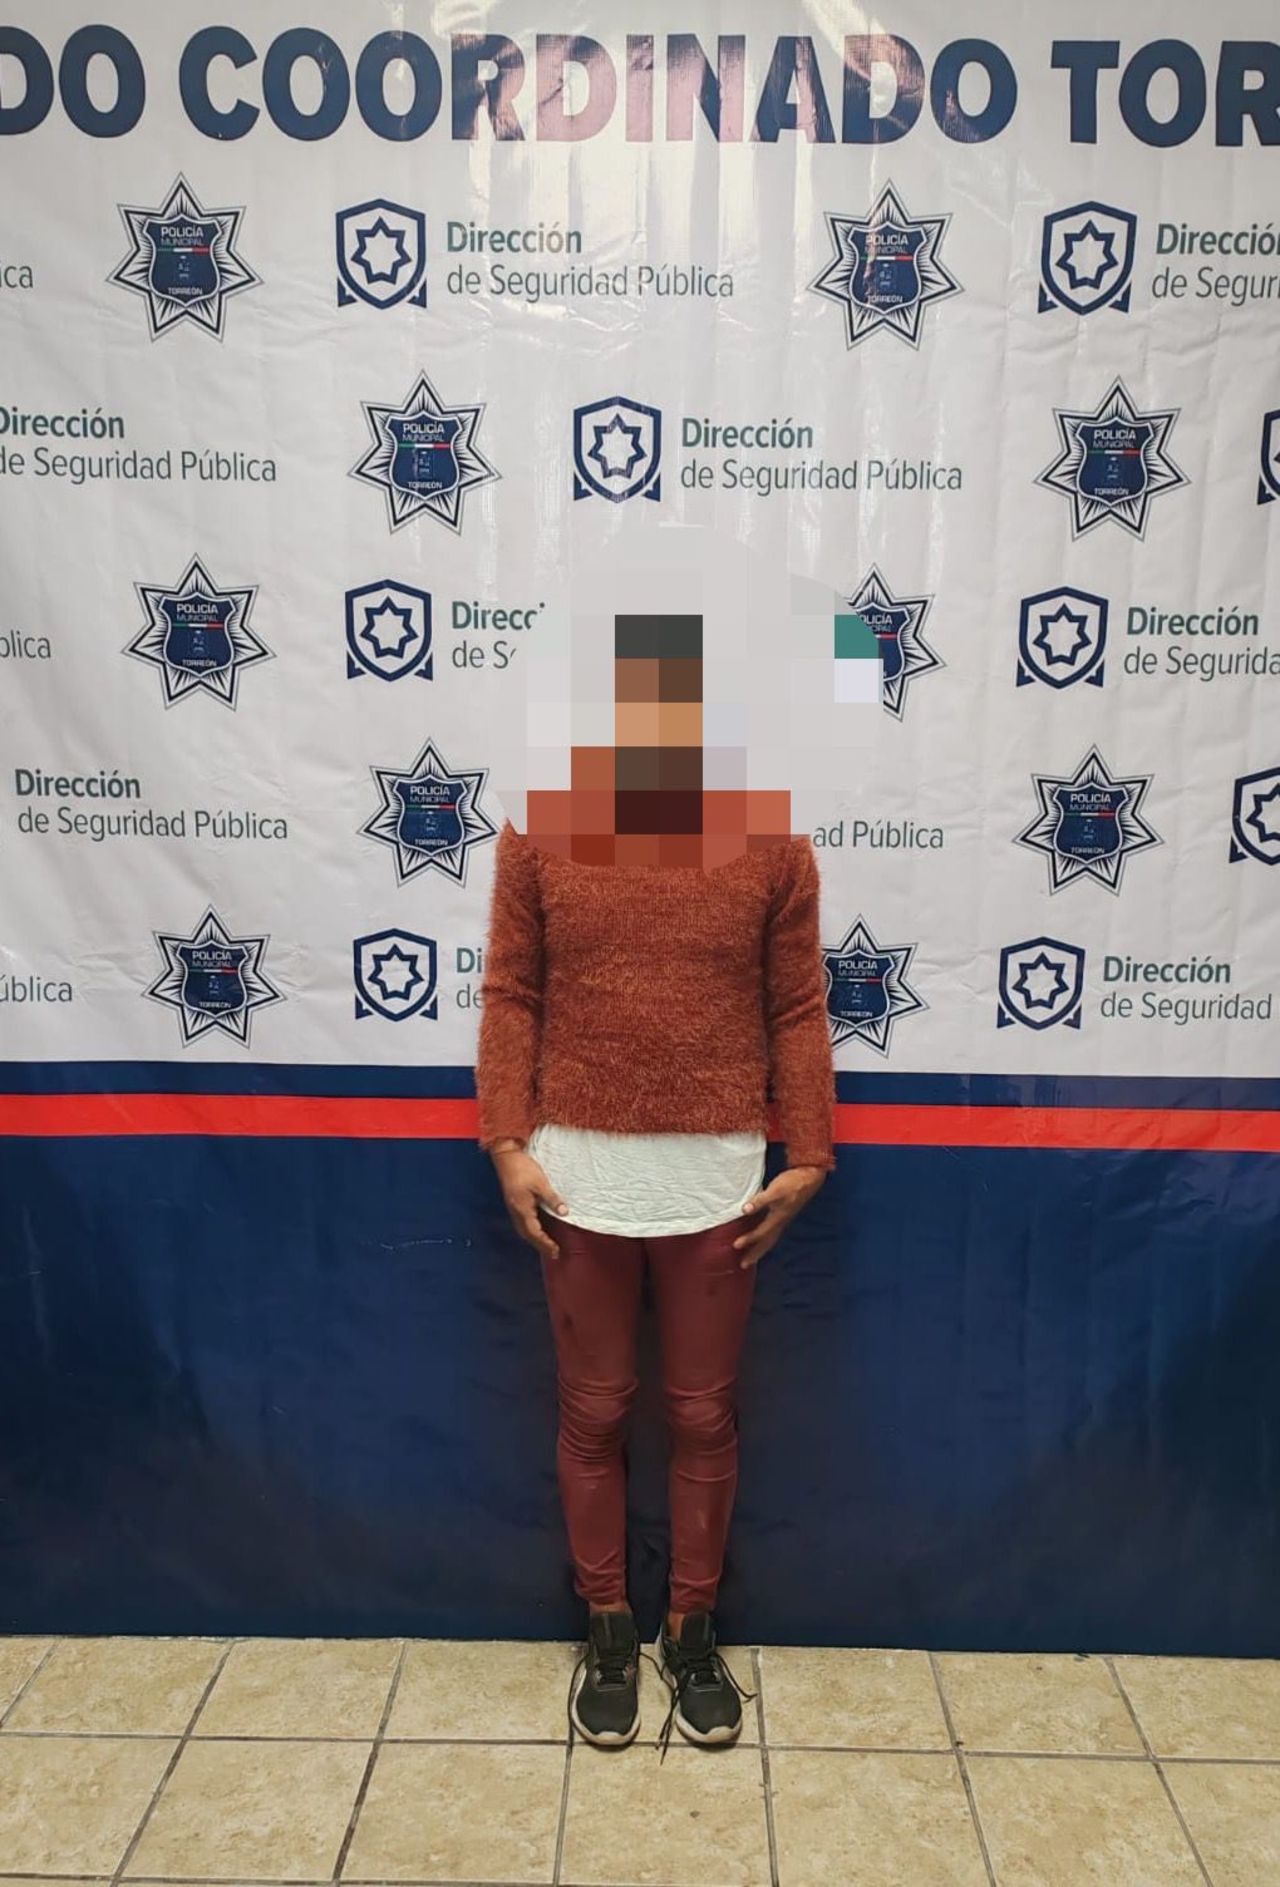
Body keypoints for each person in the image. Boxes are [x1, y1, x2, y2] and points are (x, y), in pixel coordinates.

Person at [474, 615, 836, 1754]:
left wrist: (810, 1150)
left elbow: (796, 1007)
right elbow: (511, 993)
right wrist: (505, 1143)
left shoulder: (772, 843)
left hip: (719, 1183)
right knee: (592, 1413)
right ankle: (608, 1624)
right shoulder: (537, 833)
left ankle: (690, 1627)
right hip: (575, 1181)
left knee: (700, 1415)